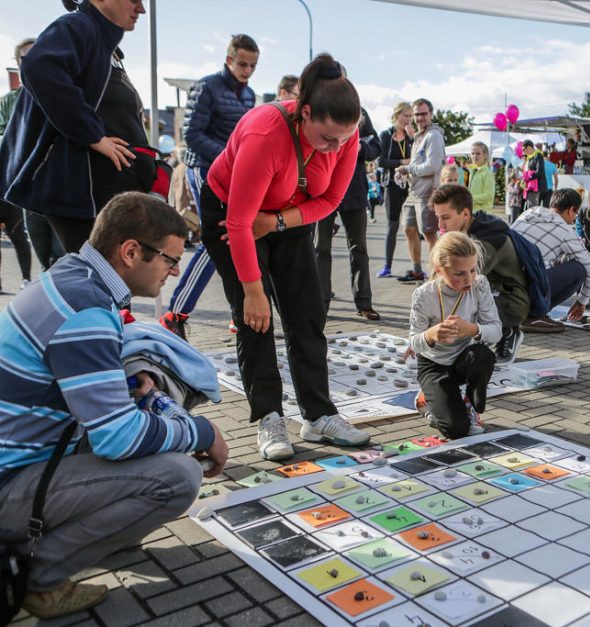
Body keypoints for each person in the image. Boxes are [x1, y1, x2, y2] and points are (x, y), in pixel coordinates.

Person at [0, 192, 228, 619]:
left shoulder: (71, 275)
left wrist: (121, 383)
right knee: (176, 476)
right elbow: (116, 439)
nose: (175, 272)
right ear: (130, 251)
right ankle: (37, 578)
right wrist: (203, 432)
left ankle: (95, 534)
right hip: (10, 485)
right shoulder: (86, 309)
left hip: (22, 456)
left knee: (154, 422)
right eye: (168, 259)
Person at [200, 53, 371, 460]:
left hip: (284, 216)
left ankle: (317, 415)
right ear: (305, 113)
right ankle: (269, 416)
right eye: (329, 138)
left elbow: (330, 200)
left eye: (345, 140)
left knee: (307, 312)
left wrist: (277, 221)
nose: (337, 147)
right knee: (254, 319)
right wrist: (254, 291)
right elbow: (240, 224)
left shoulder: (346, 137)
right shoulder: (265, 134)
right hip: (230, 215)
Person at [0, 0, 156, 255]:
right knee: (95, 278)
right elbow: (39, 67)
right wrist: (93, 135)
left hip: (101, 195)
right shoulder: (79, 25)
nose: (141, 9)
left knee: (104, 279)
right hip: (79, 192)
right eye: (134, 0)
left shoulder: (104, 44)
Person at [162, 34, 259, 338]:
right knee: (216, 240)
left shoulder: (249, 95)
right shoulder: (207, 86)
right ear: (229, 59)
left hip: (233, 172)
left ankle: (238, 313)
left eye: (253, 65)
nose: (247, 70)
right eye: (242, 63)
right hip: (204, 168)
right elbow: (191, 134)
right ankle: (175, 313)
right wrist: (231, 157)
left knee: (238, 236)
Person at [409, 231, 501, 439]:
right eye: (459, 274)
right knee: (456, 430)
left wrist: (472, 330)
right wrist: (431, 335)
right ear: (440, 271)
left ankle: (471, 405)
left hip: (462, 359)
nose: (469, 279)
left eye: (472, 270)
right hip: (434, 365)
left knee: (483, 354)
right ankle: (427, 399)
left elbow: (496, 331)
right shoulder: (424, 295)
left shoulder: (480, 284)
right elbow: (414, 342)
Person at [432, 184, 528, 364]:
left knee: (459, 304)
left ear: (465, 214)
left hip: (512, 303)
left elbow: (458, 281)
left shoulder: (487, 241)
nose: (440, 225)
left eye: (446, 217)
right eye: (438, 217)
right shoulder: (468, 232)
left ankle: (507, 331)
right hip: (493, 293)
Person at [314, 106, 382, 321]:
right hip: (322, 190)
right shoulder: (318, 108)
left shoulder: (358, 111)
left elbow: (375, 147)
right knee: (320, 248)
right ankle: (320, 304)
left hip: (354, 191)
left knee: (359, 248)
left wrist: (360, 147)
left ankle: (364, 303)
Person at [512, 188, 590, 331]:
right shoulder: (564, 230)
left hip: (504, 287)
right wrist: (582, 301)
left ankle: (524, 312)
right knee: (579, 269)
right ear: (571, 210)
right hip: (528, 289)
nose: (573, 219)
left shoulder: (526, 214)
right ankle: (534, 315)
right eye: (575, 214)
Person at [0, 39, 37, 293]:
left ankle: (28, 279)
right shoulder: (8, 100)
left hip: (40, 179)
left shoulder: (56, 92)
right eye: (25, 58)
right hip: (8, 178)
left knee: (26, 237)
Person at [396, 98, 444, 282]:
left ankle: (434, 275)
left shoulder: (434, 136)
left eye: (424, 114)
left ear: (431, 114)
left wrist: (407, 169)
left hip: (428, 193)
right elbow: (417, 167)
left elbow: (431, 167)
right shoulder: (418, 137)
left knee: (429, 234)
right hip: (413, 192)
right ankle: (417, 271)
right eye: (417, 114)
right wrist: (404, 175)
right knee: (408, 229)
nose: (420, 117)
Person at [376, 102, 414, 278]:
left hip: (411, 184)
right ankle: (387, 266)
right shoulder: (386, 135)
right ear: (396, 115)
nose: (408, 119)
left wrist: (413, 138)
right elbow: (381, 162)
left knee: (414, 226)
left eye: (410, 116)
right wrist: (402, 162)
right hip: (392, 184)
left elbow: (418, 158)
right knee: (393, 225)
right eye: (405, 115)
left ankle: (417, 267)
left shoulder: (412, 136)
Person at [468, 142, 495, 213]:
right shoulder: (472, 171)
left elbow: (489, 195)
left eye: (478, 154)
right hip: (472, 212)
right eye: (472, 154)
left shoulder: (487, 173)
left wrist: (471, 198)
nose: (475, 156)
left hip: (483, 214)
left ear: (485, 155)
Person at [521, 140, 547, 210]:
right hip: (530, 186)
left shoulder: (538, 155)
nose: (524, 152)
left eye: (524, 149)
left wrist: (529, 177)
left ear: (529, 147)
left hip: (536, 186)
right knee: (530, 205)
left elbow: (540, 171)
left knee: (532, 207)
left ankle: (534, 220)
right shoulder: (530, 157)